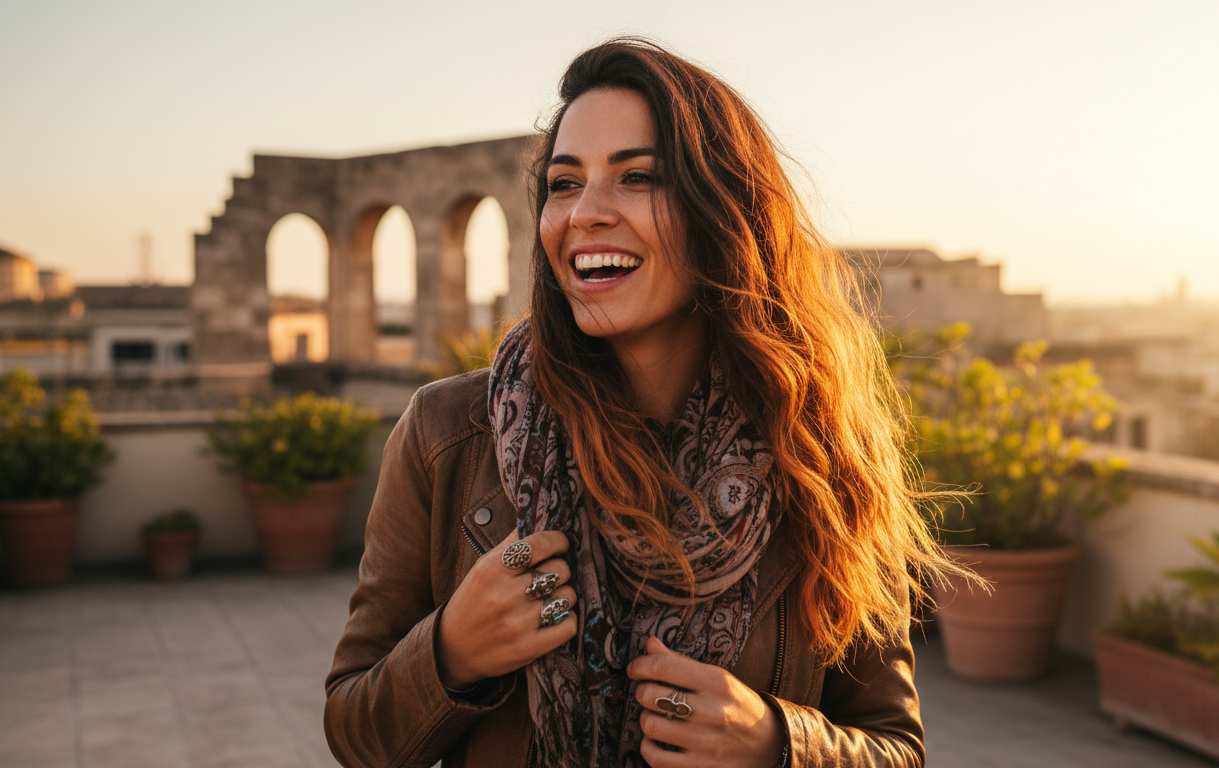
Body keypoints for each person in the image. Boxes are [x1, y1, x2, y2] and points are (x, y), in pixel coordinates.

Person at [325, 37, 956, 768]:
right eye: (564, 184)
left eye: (638, 177)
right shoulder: (447, 435)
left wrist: (777, 744)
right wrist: (449, 654)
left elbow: (894, 746)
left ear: (724, 214)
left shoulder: (820, 447)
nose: (585, 213)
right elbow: (354, 730)